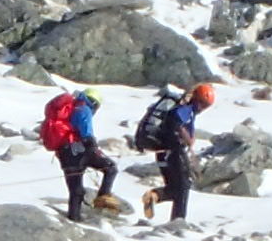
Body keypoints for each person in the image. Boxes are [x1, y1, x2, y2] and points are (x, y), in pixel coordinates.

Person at [135, 80, 216, 225]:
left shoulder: (186, 108)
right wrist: (187, 138)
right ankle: (178, 222)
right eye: (203, 104)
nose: (203, 108)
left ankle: (154, 196)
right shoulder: (186, 109)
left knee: (175, 188)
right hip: (173, 151)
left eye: (206, 106)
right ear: (197, 99)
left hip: (162, 152)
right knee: (184, 186)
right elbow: (175, 121)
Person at [42, 86, 117, 221]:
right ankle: (103, 198)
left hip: (64, 154)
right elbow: (86, 132)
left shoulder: (68, 110)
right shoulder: (84, 108)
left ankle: (74, 218)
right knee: (111, 168)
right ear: (94, 103)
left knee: (76, 191)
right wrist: (93, 147)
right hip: (80, 149)